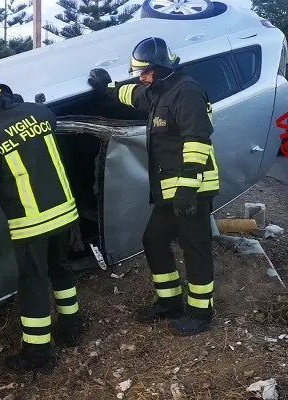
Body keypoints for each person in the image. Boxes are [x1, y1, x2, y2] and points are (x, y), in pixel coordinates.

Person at [87, 36, 219, 336]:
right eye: (139, 72)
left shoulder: (188, 92)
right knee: (154, 240)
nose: (141, 77)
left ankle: (201, 313)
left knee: (195, 248)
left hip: (191, 189)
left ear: (161, 67)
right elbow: (133, 95)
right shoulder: (160, 92)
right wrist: (108, 88)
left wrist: (187, 188)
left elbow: (197, 140)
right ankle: (170, 301)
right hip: (170, 190)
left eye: (146, 71)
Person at [0, 73, 84, 372]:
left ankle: (37, 353)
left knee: (33, 283)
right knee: (61, 269)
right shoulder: (40, 112)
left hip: (30, 222)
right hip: (64, 211)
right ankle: (72, 327)